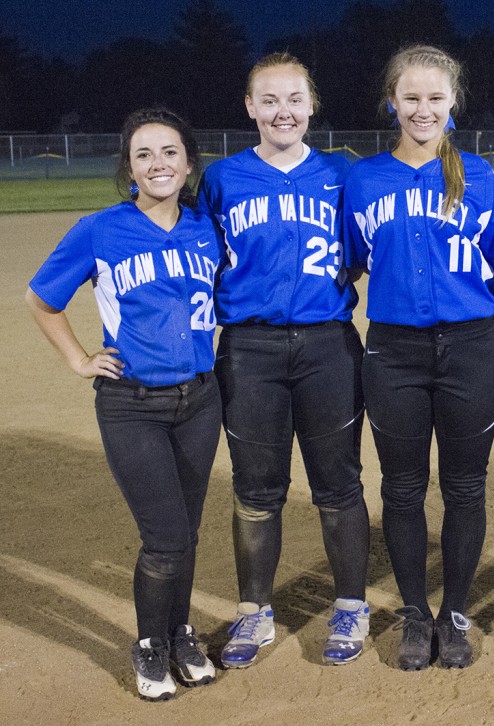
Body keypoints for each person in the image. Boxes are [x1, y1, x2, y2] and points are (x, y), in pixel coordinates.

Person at [27, 108, 221, 701]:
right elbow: (42, 299)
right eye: (143, 155)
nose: (158, 163)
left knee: (185, 532)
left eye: (169, 152)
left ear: (189, 164)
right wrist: (80, 359)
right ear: (129, 168)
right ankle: (149, 645)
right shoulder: (100, 229)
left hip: (201, 400)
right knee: (164, 536)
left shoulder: (205, 228)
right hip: (130, 404)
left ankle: (182, 632)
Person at [197, 52, 370, 669]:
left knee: (339, 483)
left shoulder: (340, 175)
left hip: (327, 345)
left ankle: (351, 604)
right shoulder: (222, 180)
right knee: (255, 489)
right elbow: (204, 257)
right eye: (268, 100)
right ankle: (255, 612)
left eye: (294, 98)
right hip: (249, 349)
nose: (282, 111)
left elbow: (355, 254)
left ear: (312, 104)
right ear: (249, 108)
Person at [342, 45, 494, 671]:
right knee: (404, 488)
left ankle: (455, 612)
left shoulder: (481, 176)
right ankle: (416, 612)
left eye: (435, 97)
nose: (422, 108)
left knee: (466, 486)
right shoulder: (364, 179)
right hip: (394, 351)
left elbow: (493, 262)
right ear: (392, 101)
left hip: (469, 347)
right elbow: (355, 255)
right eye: (410, 97)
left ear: (453, 103)